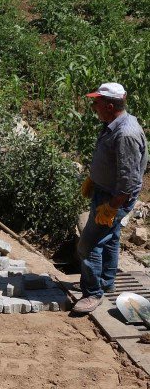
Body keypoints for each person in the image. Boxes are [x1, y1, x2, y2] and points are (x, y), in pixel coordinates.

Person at [73, 83, 147, 315]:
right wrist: (94, 179)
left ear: (109, 105)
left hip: (115, 198)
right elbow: (114, 165)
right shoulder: (114, 124)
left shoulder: (125, 133)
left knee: (89, 244)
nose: (93, 106)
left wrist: (112, 207)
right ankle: (106, 281)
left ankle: (93, 293)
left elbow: (129, 179)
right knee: (111, 238)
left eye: (96, 102)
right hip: (105, 191)